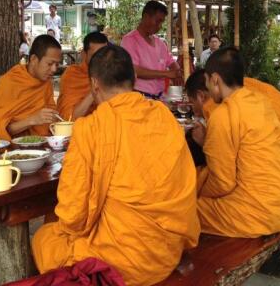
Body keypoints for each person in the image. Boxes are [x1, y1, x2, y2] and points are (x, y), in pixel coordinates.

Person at [32, 45, 200, 285]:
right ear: (133, 79)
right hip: (167, 252)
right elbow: (185, 181)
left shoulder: (90, 128)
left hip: (121, 265)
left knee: (43, 239)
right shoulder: (164, 116)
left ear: (94, 85)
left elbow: (73, 215)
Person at [194, 47, 280, 237]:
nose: (206, 87)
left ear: (215, 79)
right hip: (278, 206)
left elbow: (222, 183)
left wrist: (197, 192)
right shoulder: (260, 101)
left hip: (253, 214)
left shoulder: (223, 115)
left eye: (206, 80)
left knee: (180, 210)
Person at [187, 69, 280, 203]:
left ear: (201, 95)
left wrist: (205, 143)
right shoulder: (250, 87)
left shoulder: (216, 104)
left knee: (195, 189)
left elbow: (223, 178)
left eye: (192, 103)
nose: (195, 112)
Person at [0, 34, 61, 140]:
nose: (54, 69)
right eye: (50, 64)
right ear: (33, 59)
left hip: (41, 143)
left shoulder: (45, 83)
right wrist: (31, 120)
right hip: (10, 148)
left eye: (57, 64)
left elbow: (49, 123)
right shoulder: (10, 82)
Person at [120, 1, 181, 99]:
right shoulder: (129, 40)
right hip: (139, 98)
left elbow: (171, 62)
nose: (160, 26)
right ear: (146, 17)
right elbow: (134, 70)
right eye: (158, 21)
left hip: (160, 98)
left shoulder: (160, 43)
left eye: (162, 22)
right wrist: (166, 73)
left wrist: (177, 71)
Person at [57, 32, 108, 120]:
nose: (100, 60)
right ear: (83, 54)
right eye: (95, 55)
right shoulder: (73, 75)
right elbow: (69, 118)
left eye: (104, 55)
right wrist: (94, 91)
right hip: (79, 128)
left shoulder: (112, 72)